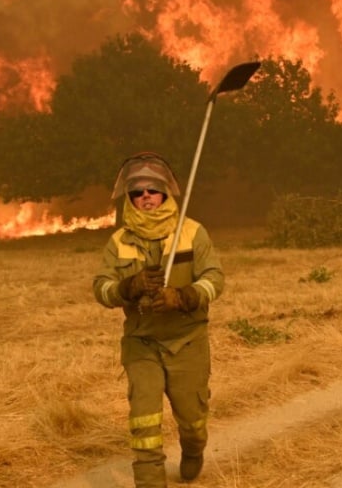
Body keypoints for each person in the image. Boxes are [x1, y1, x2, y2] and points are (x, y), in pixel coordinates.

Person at [92, 152, 225, 487]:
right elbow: (101, 288)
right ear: (130, 198)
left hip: (187, 341)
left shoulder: (192, 233)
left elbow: (215, 279)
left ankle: (194, 450)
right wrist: (128, 286)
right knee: (144, 422)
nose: (145, 196)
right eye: (137, 191)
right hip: (142, 343)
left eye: (152, 189)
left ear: (165, 192)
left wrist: (183, 297)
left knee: (192, 421)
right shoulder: (119, 241)